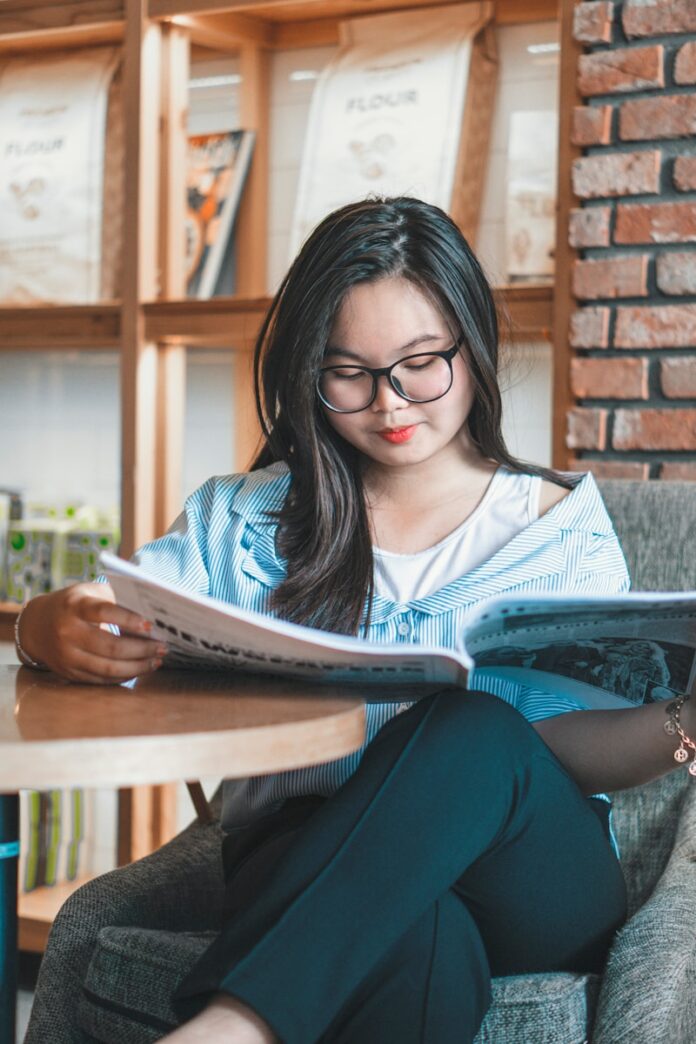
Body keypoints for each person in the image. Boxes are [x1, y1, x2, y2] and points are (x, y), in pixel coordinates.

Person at [18, 197, 695, 1044]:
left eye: (421, 364)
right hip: (303, 850)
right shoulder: (248, 519)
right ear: (309, 371)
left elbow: (568, 748)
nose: (392, 403)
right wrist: (43, 626)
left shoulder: (556, 529)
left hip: (533, 871)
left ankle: (232, 1025)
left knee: (474, 728)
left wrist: (683, 722)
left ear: (472, 346)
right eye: (351, 374)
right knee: (418, 938)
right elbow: (115, 619)